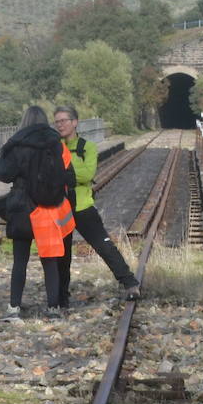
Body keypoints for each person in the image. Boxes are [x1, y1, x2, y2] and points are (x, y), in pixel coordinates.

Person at [53, 105, 141, 303]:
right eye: (56, 121)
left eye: (63, 121)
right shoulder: (53, 147)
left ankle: (130, 283)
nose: (59, 125)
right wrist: (70, 173)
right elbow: (59, 175)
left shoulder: (87, 147)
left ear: (74, 122)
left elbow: (88, 174)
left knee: (104, 245)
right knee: (62, 255)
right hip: (60, 208)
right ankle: (60, 298)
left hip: (82, 206)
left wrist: (63, 170)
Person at [0, 105, 76, 320]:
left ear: (24, 121)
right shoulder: (56, 143)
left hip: (22, 206)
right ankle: (53, 308)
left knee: (20, 260)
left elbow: (3, 175)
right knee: (49, 260)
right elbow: (69, 176)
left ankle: (14, 308)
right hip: (48, 207)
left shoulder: (16, 144)